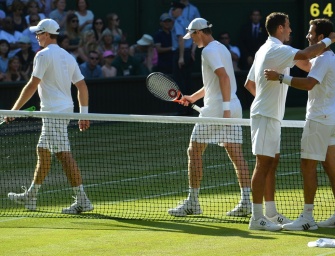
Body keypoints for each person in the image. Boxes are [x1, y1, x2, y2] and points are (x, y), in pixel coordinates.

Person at [244, 12, 335, 231]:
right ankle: (257, 218)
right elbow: (306, 56)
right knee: (263, 163)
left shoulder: (268, 50)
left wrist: (268, 99)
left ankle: (272, 213)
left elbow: (250, 84)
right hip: (266, 115)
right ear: (280, 29)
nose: (293, 30)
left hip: (273, 115)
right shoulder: (276, 49)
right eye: (289, 26)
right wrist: (329, 40)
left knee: (271, 163)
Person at [6, 18, 93, 214]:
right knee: (43, 150)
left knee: (63, 154)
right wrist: (83, 114)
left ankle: (83, 200)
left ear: (46, 34)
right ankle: (31, 195)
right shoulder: (68, 56)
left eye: (38, 33)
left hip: (54, 112)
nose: (36, 36)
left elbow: (32, 84)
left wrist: (14, 110)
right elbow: (82, 86)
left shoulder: (42, 55)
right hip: (61, 110)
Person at [168, 18, 252, 217]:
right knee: (236, 155)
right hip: (233, 104)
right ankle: (247, 202)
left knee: (194, 151)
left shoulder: (207, 50)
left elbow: (223, 77)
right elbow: (215, 82)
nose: (192, 40)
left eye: (193, 36)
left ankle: (193, 202)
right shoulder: (221, 48)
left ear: (199, 32)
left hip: (218, 108)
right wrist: (193, 97)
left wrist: (223, 111)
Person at [170, 1, 194, 98]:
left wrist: (181, 57)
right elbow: (194, 37)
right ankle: (188, 108)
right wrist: (192, 51)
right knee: (187, 79)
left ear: (179, 10)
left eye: (174, 9)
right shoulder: (188, 22)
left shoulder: (178, 22)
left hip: (181, 53)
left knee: (179, 81)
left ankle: (181, 109)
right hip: (188, 53)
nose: (172, 12)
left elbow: (181, 39)